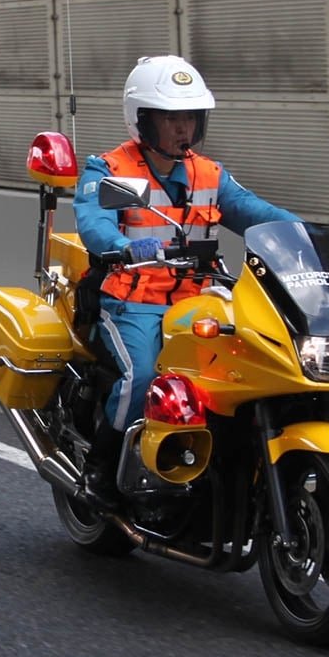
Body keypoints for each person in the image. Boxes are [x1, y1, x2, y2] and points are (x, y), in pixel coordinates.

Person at [72, 54, 302, 508]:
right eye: (171, 118)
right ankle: (99, 473)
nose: (183, 129)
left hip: (199, 299)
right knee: (142, 377)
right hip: (131, 299)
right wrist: (121, 245)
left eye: (191, 118)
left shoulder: (209, 173)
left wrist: (309, 235)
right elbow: (93, 221)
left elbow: (257, 213)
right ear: (143, 120)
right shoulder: (109, 170)